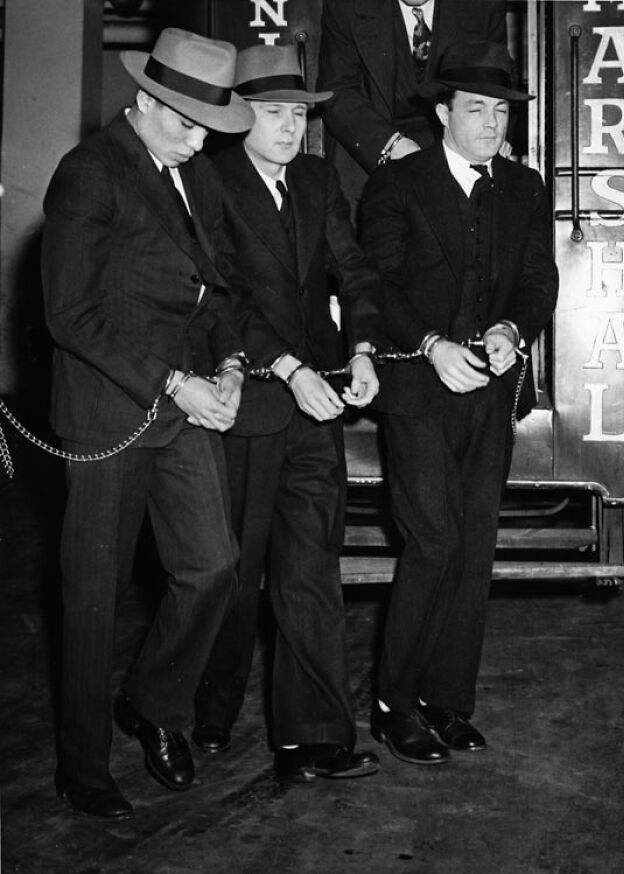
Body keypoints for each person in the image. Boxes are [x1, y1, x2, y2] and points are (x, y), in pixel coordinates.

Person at [42, 28, 262, 820]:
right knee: (93, 594)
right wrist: (175, 382)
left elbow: (222, 291)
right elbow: (70, 315)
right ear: (142, 101)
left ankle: (154, 703)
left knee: (212, 567)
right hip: (111, 413)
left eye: (208, 124)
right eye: (186, 121)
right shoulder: (89, 175)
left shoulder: (190, 175)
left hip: (186, 408)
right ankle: (81, 767)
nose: (199, 138)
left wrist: (232, 366)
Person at [359, 40, 558, 765]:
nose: (490, 124)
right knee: (434, 539)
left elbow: (539, 280)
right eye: (475, 109)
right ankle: (393, 702)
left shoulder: (524, 189)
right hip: (418, 387)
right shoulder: (399, 184)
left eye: (500, 112)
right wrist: (435, 343)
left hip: (491, 392)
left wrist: (512, 328)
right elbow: (377, 286)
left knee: (474, 546)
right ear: (443, 112)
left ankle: (448, 702)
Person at [193, 44, 384, 783]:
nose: (290, 127)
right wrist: (290, 367)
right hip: (247, 402)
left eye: (299, 114)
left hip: (316, 405)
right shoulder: (209, 182)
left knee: (310, 568)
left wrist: (363, 347)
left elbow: (356, 268)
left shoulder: (315, 178)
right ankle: (204, 709)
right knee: (232, 570)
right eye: (274, 113)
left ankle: (314, 737)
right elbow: (225, 297)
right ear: (239, 115)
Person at [317, 0, 507, 212]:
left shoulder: (483, 6)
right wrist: (391, 146)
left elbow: (498, 85)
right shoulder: (347, 6)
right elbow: (337, 92)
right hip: (373, 145)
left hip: (454, 145)